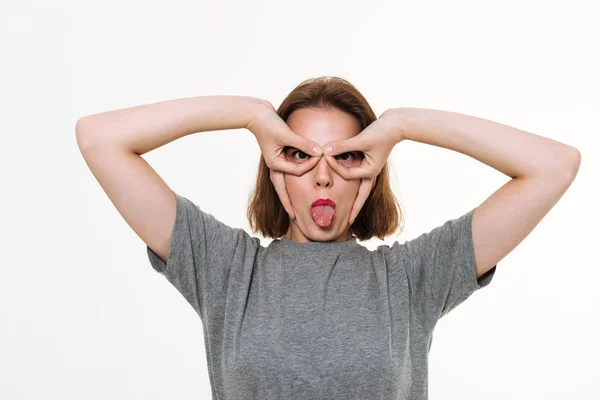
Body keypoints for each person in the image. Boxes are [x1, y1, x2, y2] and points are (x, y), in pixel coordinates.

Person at [78, 75, 578, 399]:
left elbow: (554, 166)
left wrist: (402, 124)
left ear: (370, 170)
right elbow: (99, 139)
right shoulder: (225, 267)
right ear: (274, 167)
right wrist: (250, 113)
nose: (322, 176)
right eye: (299, 154)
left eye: (345, 156)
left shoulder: (410, 277)